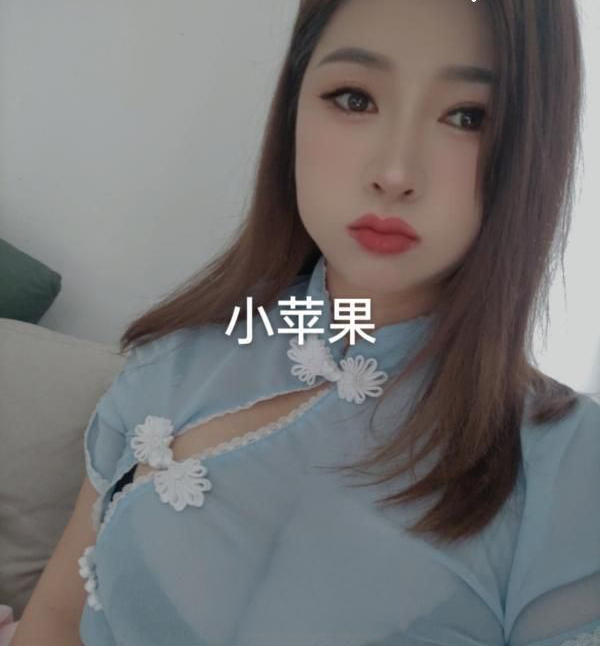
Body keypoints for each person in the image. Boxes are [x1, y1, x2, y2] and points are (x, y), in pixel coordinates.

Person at [13, 1, 599, 645]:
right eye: (354, 99)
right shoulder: (185, 348)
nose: (395, 173)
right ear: (294, 107)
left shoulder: (569, 464)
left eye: (469, 117)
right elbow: (55, 620)